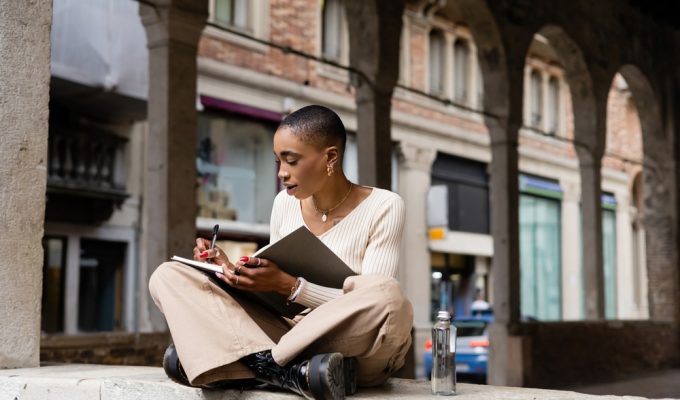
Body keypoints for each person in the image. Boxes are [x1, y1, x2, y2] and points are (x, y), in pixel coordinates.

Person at [149, 105, 413, 400]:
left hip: (356, 346)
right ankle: (282, 372)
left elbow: (370, 301)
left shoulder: (385, 206)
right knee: (168, 275)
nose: (281, 173)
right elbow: (274, 295)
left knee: (389, 295)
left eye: (292, 161)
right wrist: (232, 273)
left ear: (330, 157)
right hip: (287, 335)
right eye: (278, 161)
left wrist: (291, 286)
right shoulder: (283, 203)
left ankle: (238, 362)